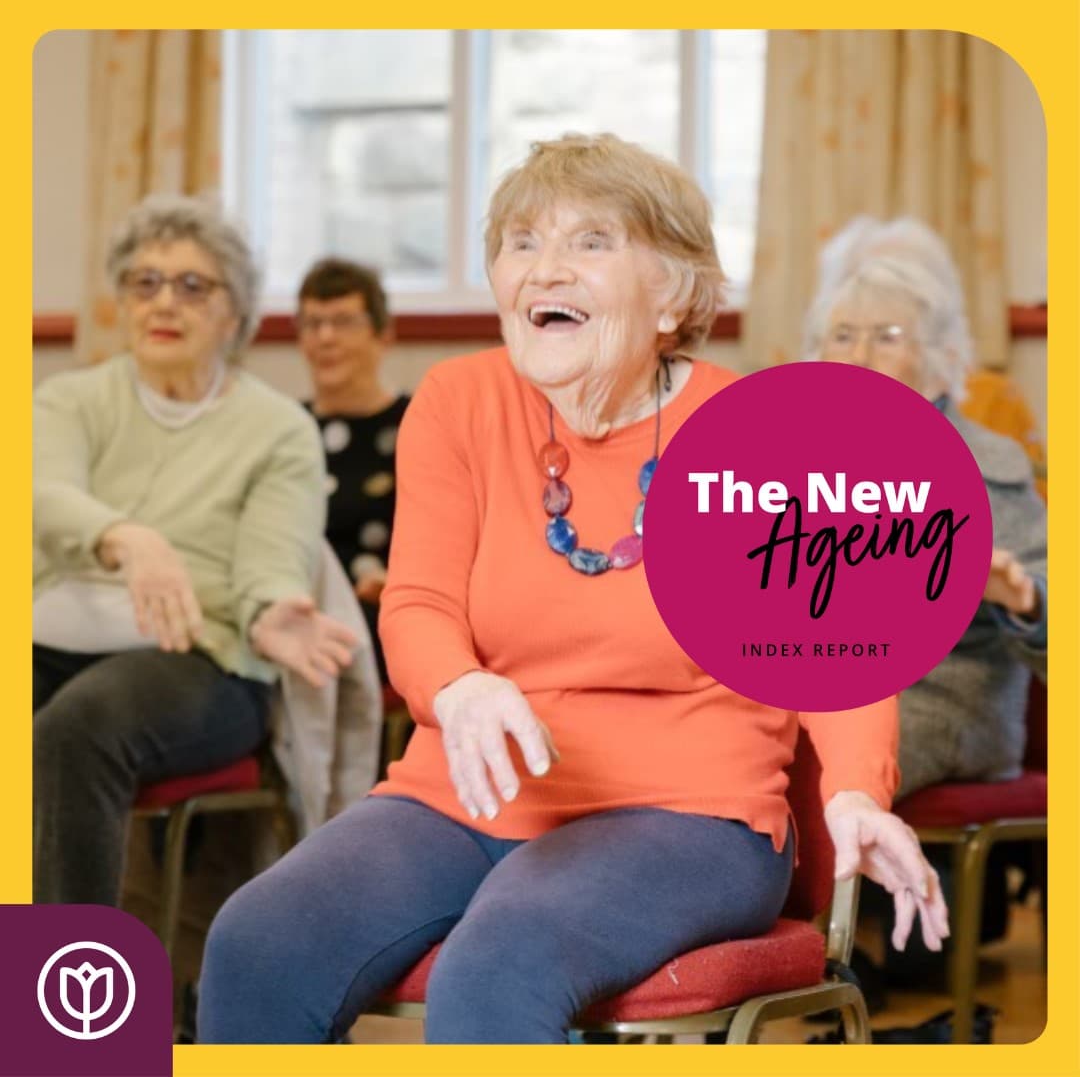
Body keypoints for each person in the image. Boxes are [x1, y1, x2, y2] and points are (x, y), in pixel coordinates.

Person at [198, 134, 948, 1045]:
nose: (544, 268)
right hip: (469, 793)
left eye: (591, 242)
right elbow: (419, 602)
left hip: (690, 814)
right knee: (257, 941)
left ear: (673, 293)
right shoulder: (459, 401)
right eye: (521, 241)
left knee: (504, 956)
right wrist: (460, 687)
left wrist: (859, 794)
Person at [33, 193, 358, 907]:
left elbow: (274, 556)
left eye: (191, 285)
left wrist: (271, 610)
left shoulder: (277, 431)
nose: (164, 302)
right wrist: (128, 539)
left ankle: (62, 1013)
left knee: (74, 730)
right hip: (48, 636)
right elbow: (39, 490)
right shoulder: (69, 400)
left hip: (203, 658)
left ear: (233, 314)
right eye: (144, 282)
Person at [803, 218, 1047, 798]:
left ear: (941, 357)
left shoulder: (987, 461)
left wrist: (1022, 596)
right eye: (841, 336)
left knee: (809, 763)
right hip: (819, 689)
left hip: (944, 697)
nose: (859, 355)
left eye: (887, 336)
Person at [296, 258, 409, 683]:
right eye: (312, 323)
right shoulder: (285, 429)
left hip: (380, 607)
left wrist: (397, 583)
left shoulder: (418, 424)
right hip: (297, 604)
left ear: (383, 335)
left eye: (343, 321)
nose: (325, 337)